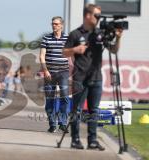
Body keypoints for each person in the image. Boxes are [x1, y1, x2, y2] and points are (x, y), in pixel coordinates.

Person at [63, 4, 123, 150]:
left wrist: (119, 38)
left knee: (94, 110)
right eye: (96, 15)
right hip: (80, 77)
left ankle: (92, 140)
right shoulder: (76, 34)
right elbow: (64, 52)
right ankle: (75, 139)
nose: (99, 18)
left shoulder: (99, 34)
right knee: (77, 109)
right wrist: (75, 49)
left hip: (96, 77)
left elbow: (113, 50)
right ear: (87, 15)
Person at [39, 16, 70, 133]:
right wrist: (45, 70)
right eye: (53, 24)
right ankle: (52, 124)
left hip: (63, 72)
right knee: (50, 98)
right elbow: (42, 56)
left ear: (61, 25)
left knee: (65, 97)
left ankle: (63, 123)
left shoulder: (68, 38)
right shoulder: (46, 38)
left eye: (56, 24)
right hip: (49, 73)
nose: (54, 26)